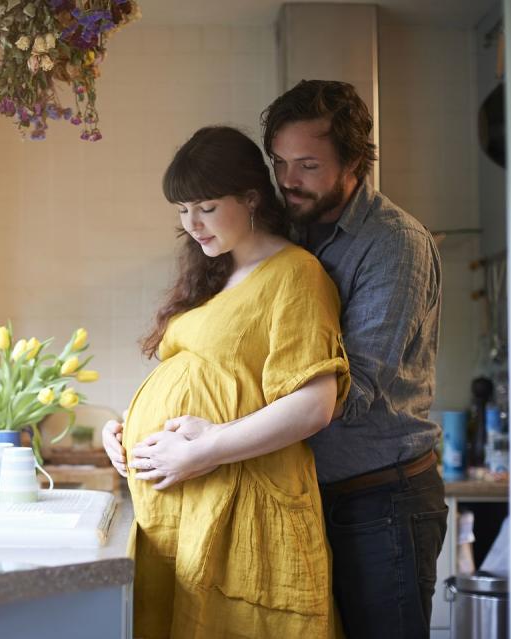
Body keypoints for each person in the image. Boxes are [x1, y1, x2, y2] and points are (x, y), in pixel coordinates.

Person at [107, 80, 445, 639]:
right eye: (280, 162)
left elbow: (345, 392)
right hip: (311, 491)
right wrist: (146, 431)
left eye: (308, 165)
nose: (289, 180)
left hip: (380, 499)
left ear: (354, 160)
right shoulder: (290, 237)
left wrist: (206, 441)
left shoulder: (391, 244)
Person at [112, 125, 350, 638]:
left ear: (250, 197)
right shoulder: (216, 275)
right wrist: (127, 427)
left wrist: (206, 449)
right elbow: (203, 375)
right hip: (184, 514)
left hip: (245, 511)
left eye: (206, 207)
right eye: (182, 210)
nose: (192, 224)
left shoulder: (295, 274)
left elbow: (314, 405)